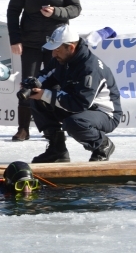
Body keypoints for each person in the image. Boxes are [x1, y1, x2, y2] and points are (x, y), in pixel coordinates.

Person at [7, 0, 82, 142]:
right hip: (30, 42)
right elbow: (13, 11)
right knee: (27, 84)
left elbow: (75, 8)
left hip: (56, 43)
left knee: (54, 85)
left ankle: (54, 129)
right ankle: (23, 129)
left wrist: (56, 12)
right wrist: (15, 39)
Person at [28, 24, 121, 163]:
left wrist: (45, 94)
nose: (53, 54)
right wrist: (33, 84)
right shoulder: (62, 59)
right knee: (36, 99)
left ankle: (103, 145)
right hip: (81, 107)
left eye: (57, 50)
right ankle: (57, 150)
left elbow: (79, 103)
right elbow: (45, 76)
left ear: (70, 47)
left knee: (74, 123)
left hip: (105, 114)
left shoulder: (89, 68)